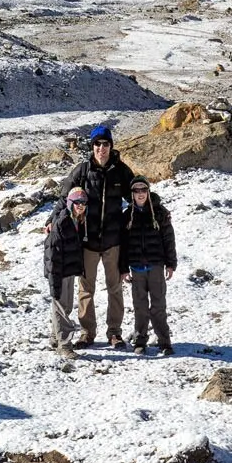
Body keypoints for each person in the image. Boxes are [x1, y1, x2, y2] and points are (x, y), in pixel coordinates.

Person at [58, 125, 134, 347]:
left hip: (113, 242)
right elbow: (65, 197)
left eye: (106, 144)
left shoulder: (121, 171)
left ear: (111, 146)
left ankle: (114, 333)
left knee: (115, 288)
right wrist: (52, 221)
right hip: (88, 241)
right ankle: (87, 333)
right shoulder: (82, 171)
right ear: (92, 147)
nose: (102, 148)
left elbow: (137, 193)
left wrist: (155, 209)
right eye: (97, 144)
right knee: (86, 289)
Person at [121, 175, 176, 355]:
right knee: (140, 307)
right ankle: (140, 341)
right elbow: (122, 244)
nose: (140, 193)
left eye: (143, 189)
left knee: (159, 305)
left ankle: (164, 342)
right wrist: (123, 269)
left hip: (156, 266)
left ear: (148, 191)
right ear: (132, 194)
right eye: (136, 190)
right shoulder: (127, 215)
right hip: (136, 267)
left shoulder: (160, 212)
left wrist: (171, 264)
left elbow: (169, 239)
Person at [43, 186, 89, 358]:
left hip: (68, 270)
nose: (80, 205)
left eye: (83, 202)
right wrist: (54, 280)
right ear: (70, 203)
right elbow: (52, 255)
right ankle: (64, 345)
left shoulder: (77, 221)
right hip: (59, 271)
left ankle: (55, 337)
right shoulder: (62, 223)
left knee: (65, 305)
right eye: (76, 202)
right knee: (61, 306)